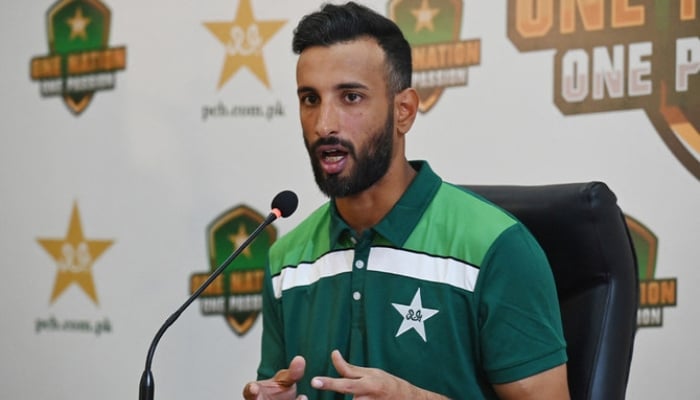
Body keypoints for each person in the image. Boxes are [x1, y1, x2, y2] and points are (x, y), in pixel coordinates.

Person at [243, 2, 569, 399]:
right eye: (310, 99)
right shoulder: (286, 260)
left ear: (404, 111)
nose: (324, 124)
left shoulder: (497, 247)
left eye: (350, 97)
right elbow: (279, 385)